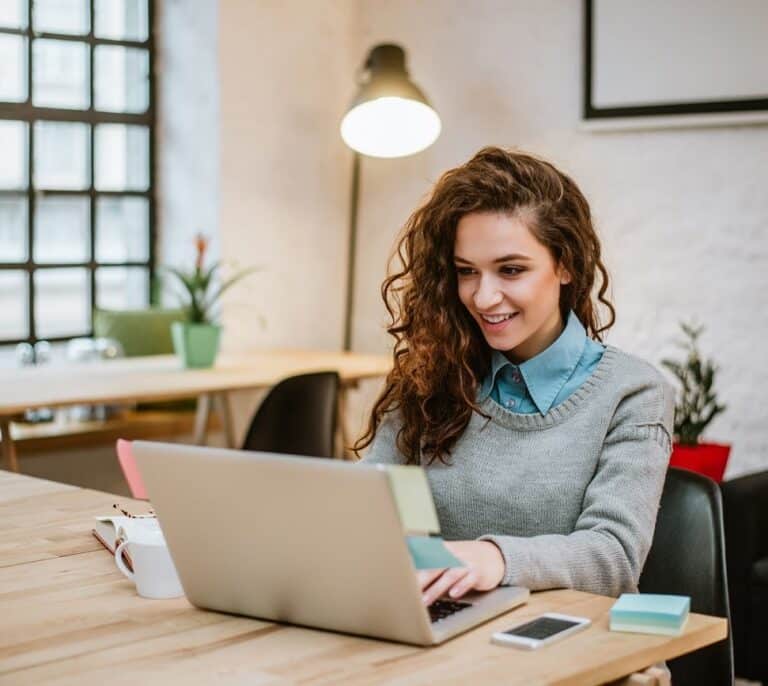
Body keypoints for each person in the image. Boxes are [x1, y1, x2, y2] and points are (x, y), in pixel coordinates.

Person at [355, 146, 674, 607]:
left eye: (511, 270)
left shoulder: (633, 392)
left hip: (571, 638)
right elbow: (368, 506)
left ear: (566, 264)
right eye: (467, 272)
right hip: (443, 627)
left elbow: (613, 555)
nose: (484, 297)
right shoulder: (433, 374)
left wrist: (494, 558)